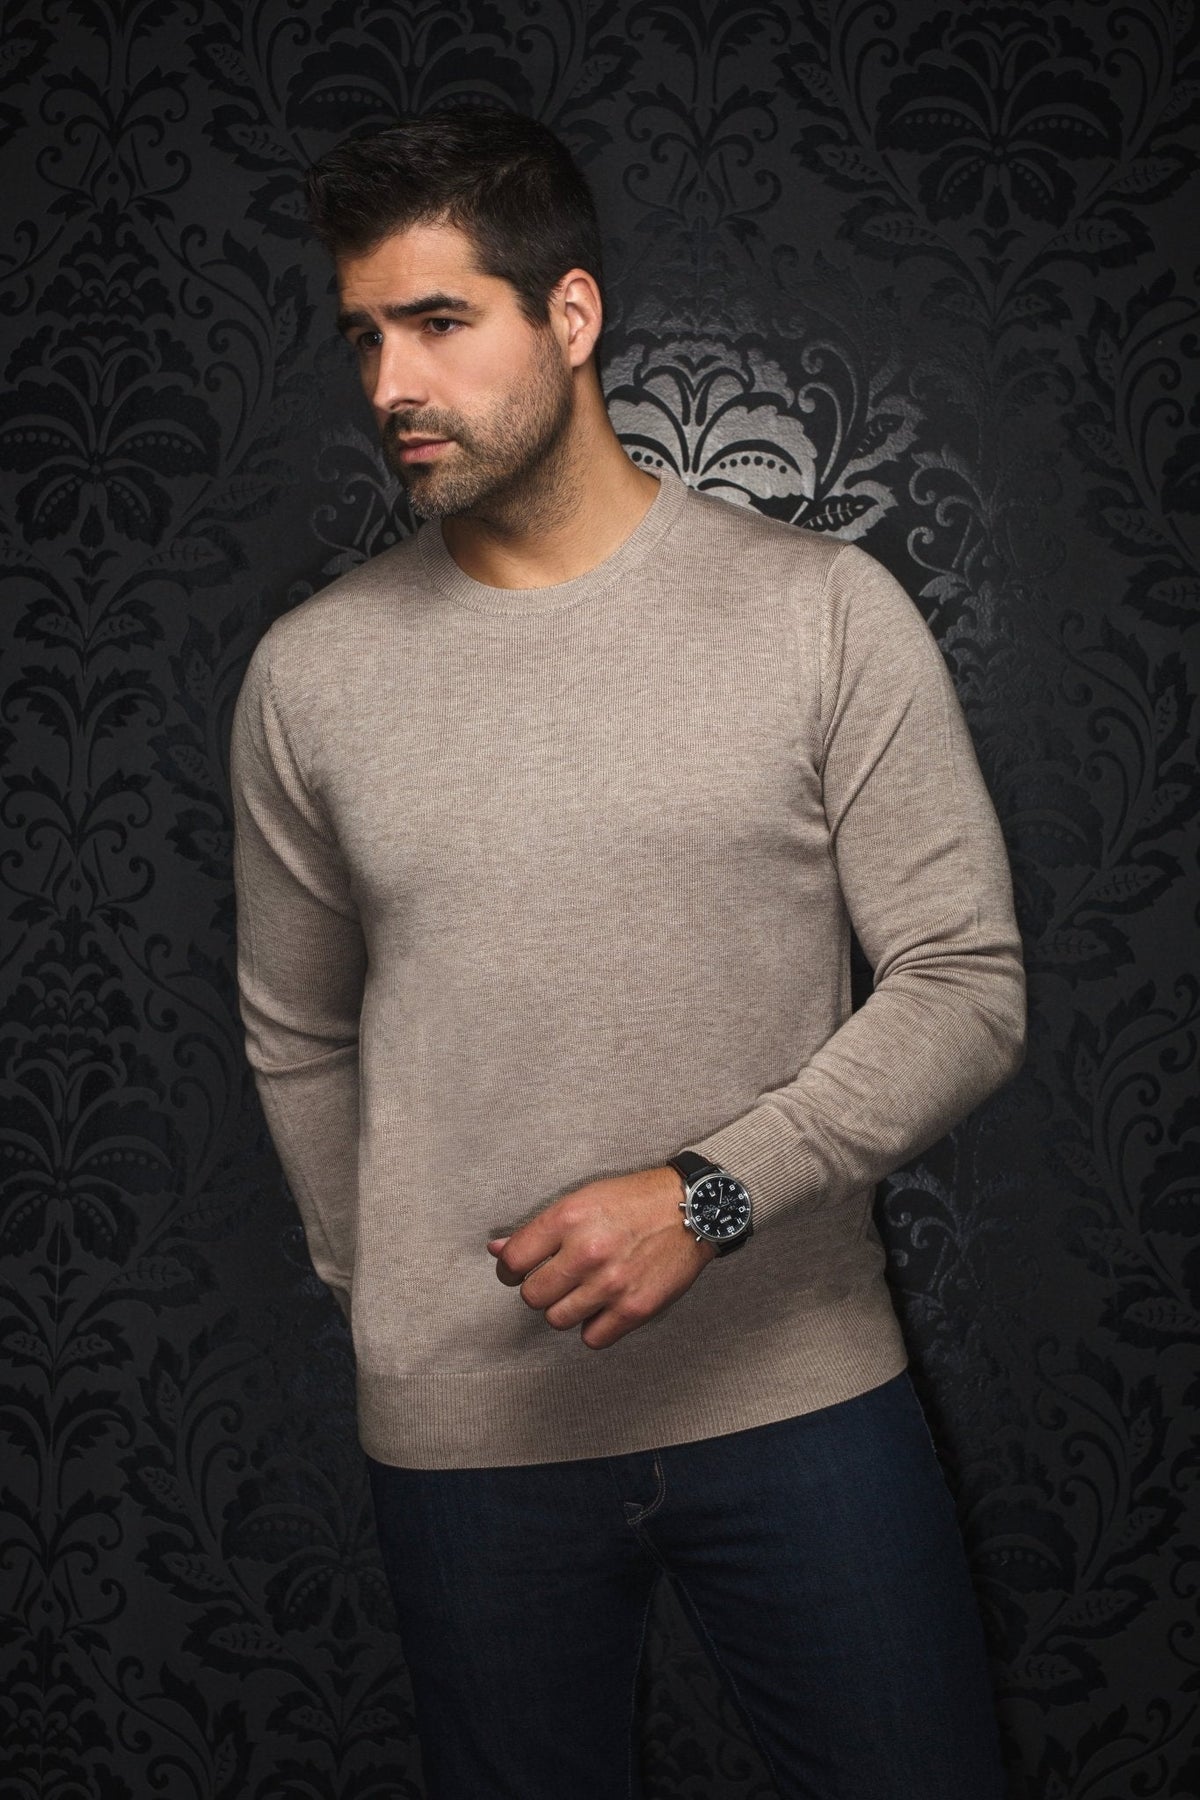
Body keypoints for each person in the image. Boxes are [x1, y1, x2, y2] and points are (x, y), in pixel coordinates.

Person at [228, 106, 1025, 1800]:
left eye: (439, 322)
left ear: (571, 315)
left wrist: (709, 1196)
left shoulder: (821, 611)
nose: (390, 384)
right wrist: (392, 1299)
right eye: (364, 336)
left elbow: (965, 984)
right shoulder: (312, 677)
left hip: (799, 1395)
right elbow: (294, 1029)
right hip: (468, 1444)